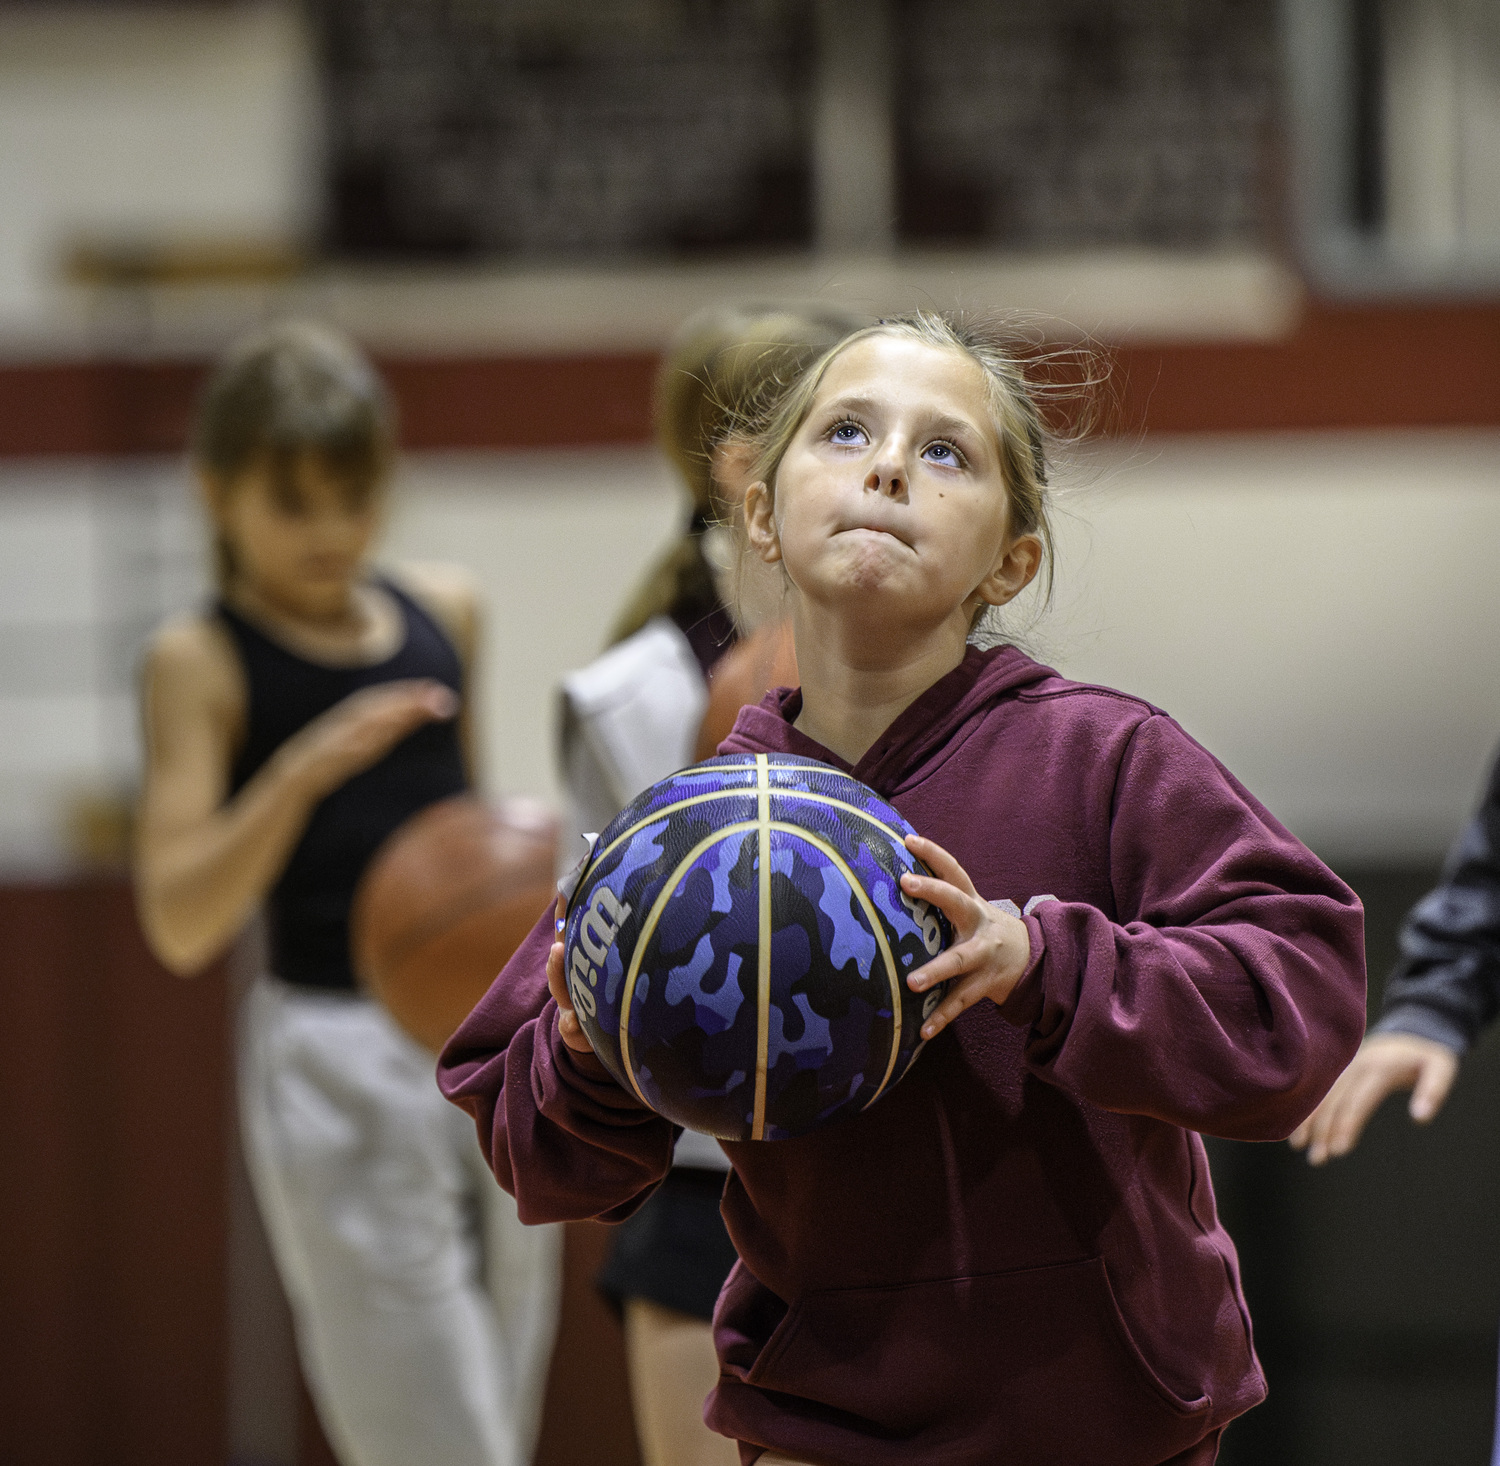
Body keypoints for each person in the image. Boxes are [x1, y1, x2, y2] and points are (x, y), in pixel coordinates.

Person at [440, 311, 1367, 1466]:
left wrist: (1049, 964)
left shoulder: (1103, 759)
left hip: (1109, 1427)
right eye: (845, 430)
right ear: (762, 514)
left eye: (945, 452)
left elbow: (1303, 1002)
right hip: (826, 1430)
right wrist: (589, 1049)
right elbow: (534, 1146)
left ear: (1012, 556)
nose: (887, 464)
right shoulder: (687, 832)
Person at [133, 322, 559, 1466]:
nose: (331, 530)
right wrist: (304, 767)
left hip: (490, 1044)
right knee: (432, 1438)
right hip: (334, 1047)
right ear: (215, 490)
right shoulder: (201, 658)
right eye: (294, 501)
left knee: (498, 1419)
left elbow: (469, 838)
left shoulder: (447, 607)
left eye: (353, 496)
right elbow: (178, 919)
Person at [557, 304, 859, 1466]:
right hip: (702, 1179)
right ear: (745, 469)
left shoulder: (920, 663)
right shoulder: (629, 694)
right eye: (842, 429)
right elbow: (583, 969)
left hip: (876, 1171)